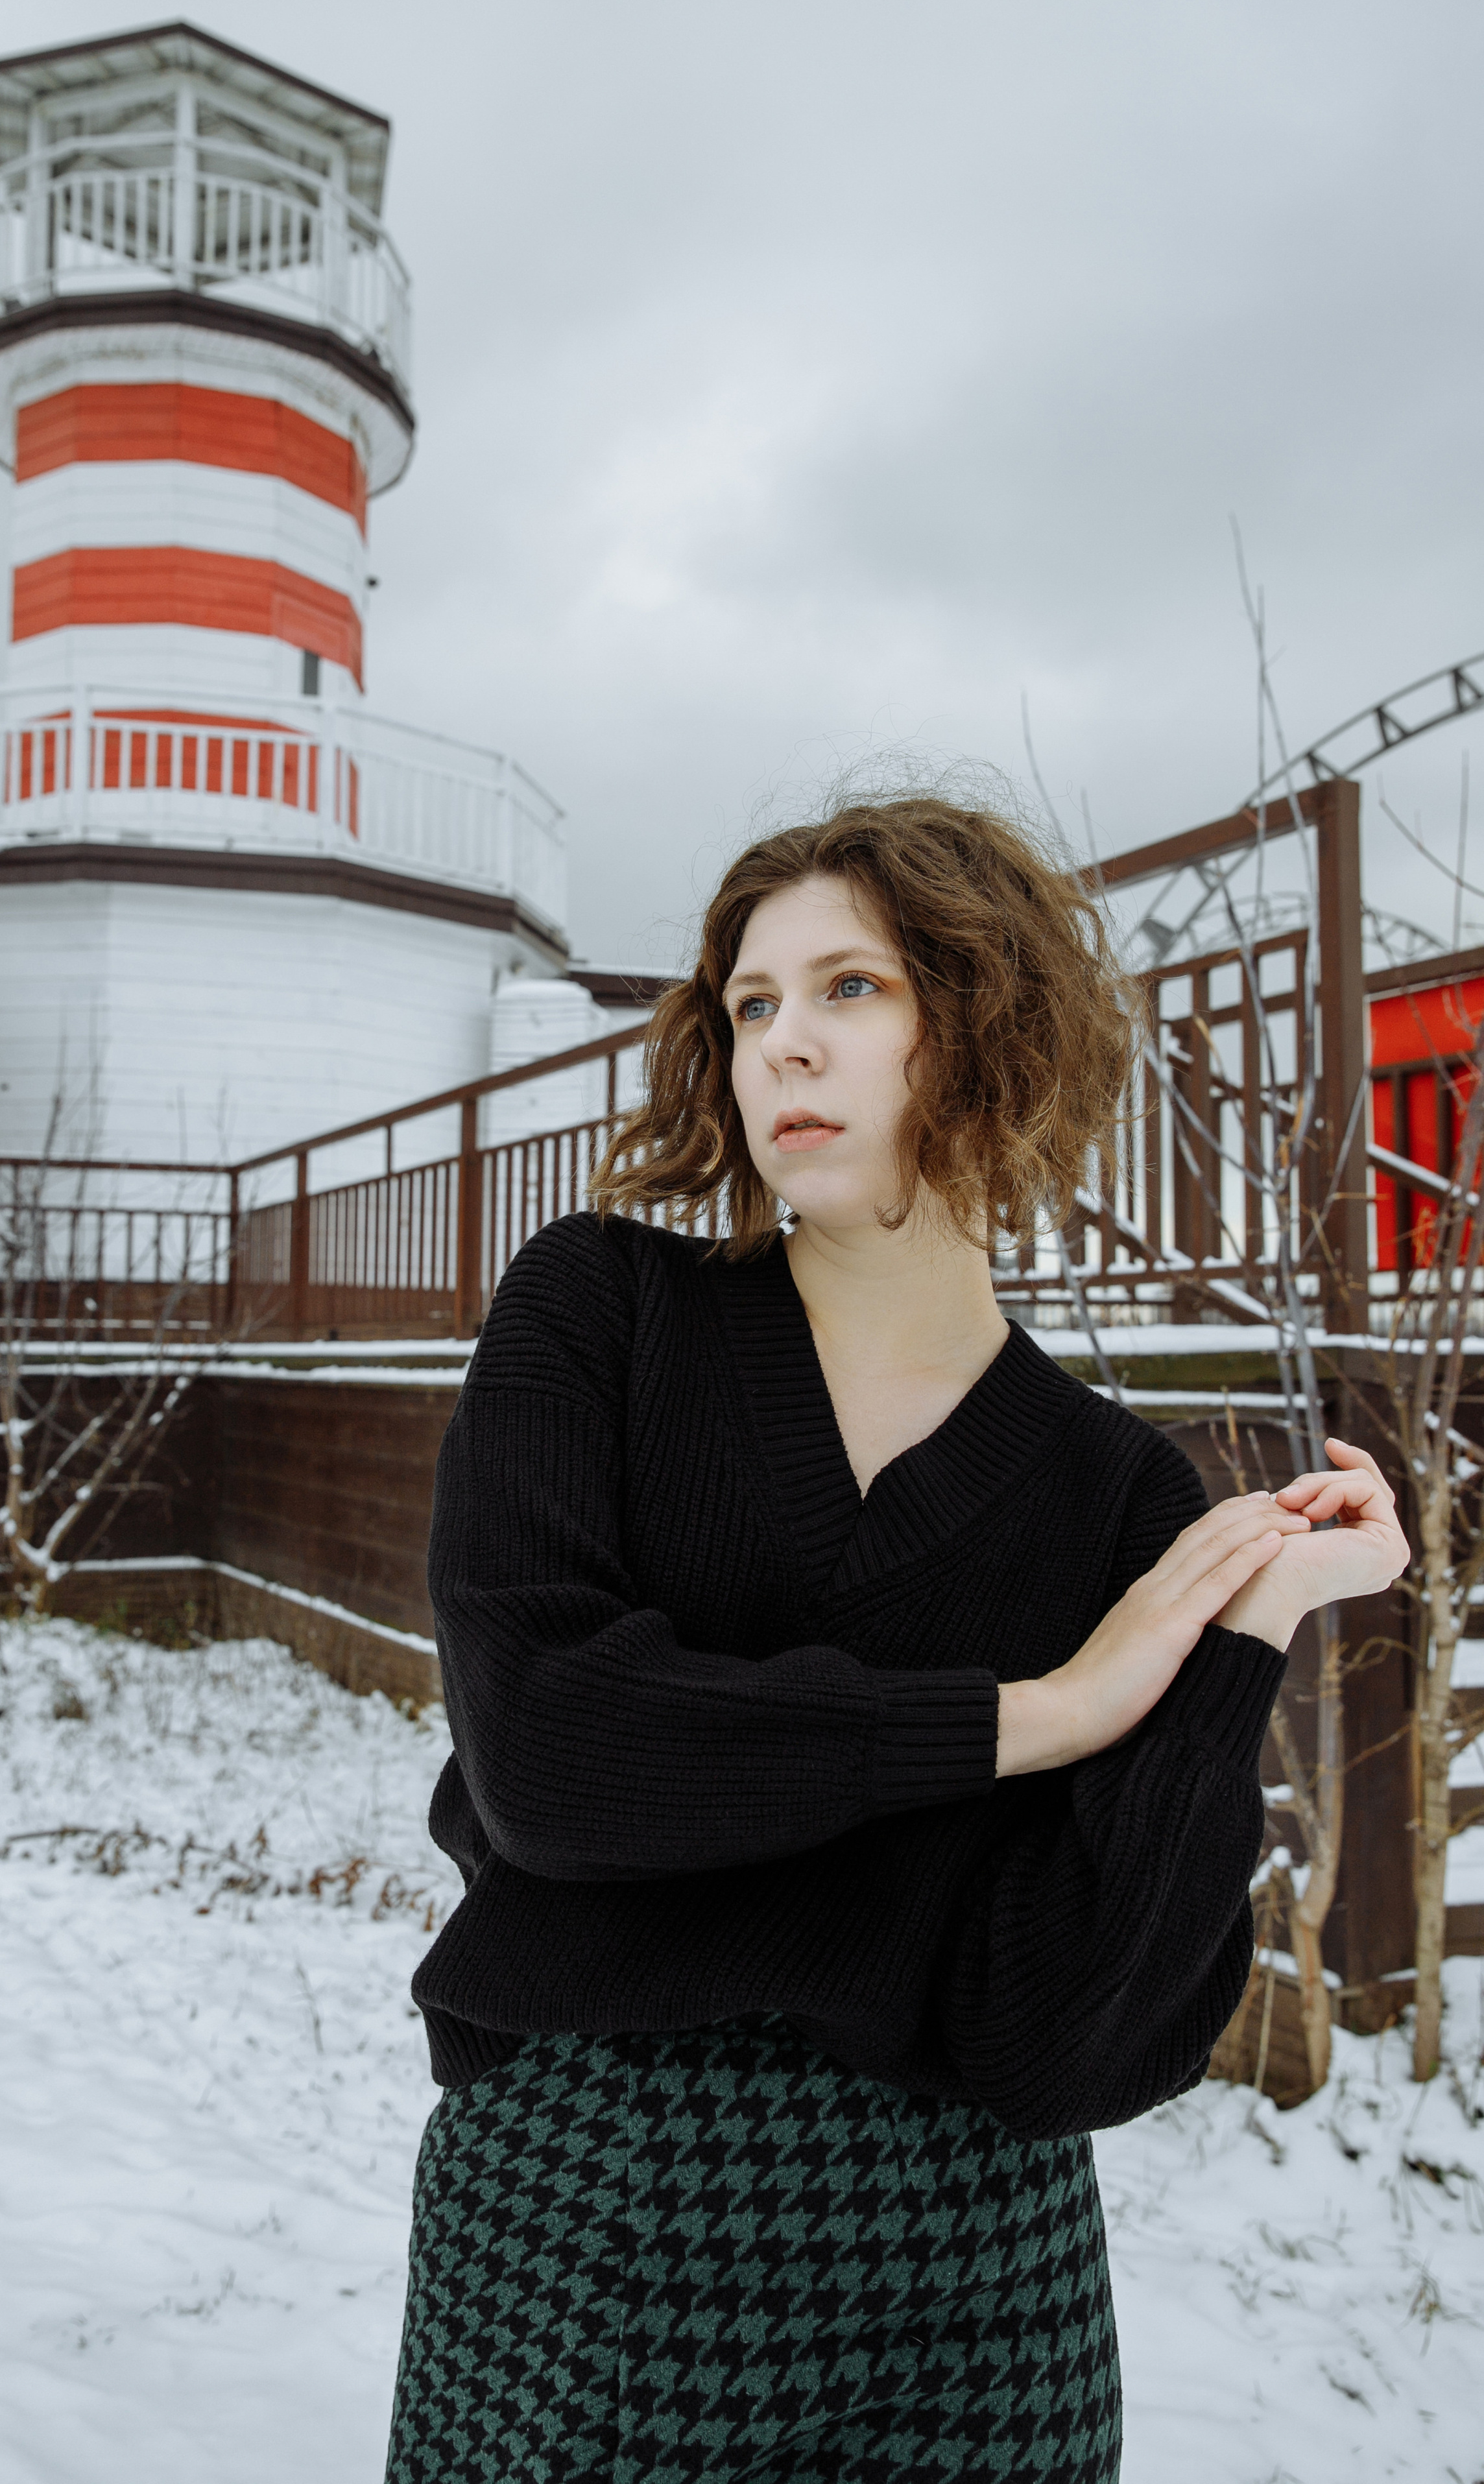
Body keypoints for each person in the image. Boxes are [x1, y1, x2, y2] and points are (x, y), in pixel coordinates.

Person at [383, 793, 1406, 2484]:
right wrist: (1035, 1716)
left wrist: (1242, 1646)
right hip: (579, 2191)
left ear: (990, 1018)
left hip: (966, 2273)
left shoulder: (1115, 1491)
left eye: (848, 988)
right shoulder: (603, 1315)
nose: (783, 1043)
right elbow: (555, 1753)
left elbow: (1068, 2039)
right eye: (752, 1004)